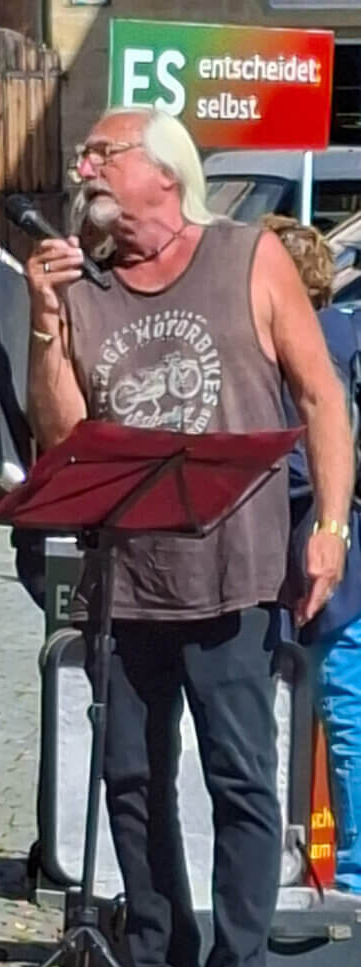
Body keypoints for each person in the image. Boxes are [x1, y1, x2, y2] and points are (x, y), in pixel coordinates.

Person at [23, 107, 354, 967]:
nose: (85, 168)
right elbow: (61, 437)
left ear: (164, 173)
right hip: (127, 577)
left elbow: (322, 397)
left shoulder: (248, 256)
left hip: (237, 573)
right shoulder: (82, 284)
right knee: (131, 779)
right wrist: (45, 324)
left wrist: (330, 524)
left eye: (103, 153)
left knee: (239, 776)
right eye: (84, 156)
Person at [264, 215, 361, 897]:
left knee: (338, 718)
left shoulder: (312, 344)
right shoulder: (344, 334)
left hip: (316, 567)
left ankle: (348, 877)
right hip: (340, 565)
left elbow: (301, 466)